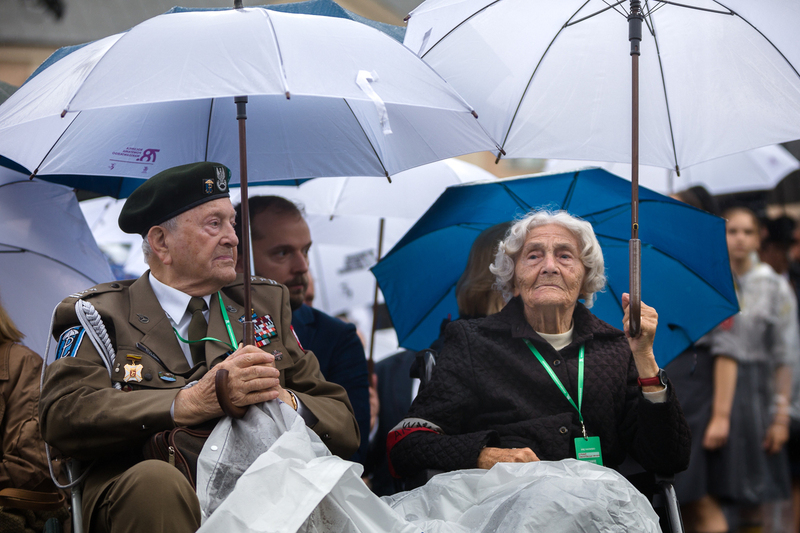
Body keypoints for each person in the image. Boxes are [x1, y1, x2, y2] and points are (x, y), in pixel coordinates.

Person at [39, 163, 359, 533]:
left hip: (260, 486)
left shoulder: (261, 303)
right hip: (143, 488)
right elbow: (62, 415)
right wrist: (185, 402)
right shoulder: (100, 314)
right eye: (214, 224)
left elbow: (343, 424)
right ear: (161, 242)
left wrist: (283, 401)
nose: (233, 239)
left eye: (232, 223)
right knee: (157, 484)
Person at [388, 209, 691, 478]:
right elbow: (405, 444)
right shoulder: (472, 341)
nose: (549, 266)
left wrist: (644, 357)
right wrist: (484, 455)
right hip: (504, 510)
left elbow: (668, 459)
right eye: (533, 256)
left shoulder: (616, 348)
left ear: (585, 279)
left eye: (564, 255)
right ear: (513, 280)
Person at [365, 222, 510, 495]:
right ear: (496, 275)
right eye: (532, 258)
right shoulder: (457, 346)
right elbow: (408, 448)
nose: (545, 271)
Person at [234, 196, 370, 464]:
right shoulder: (208, 322)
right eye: (282, 253)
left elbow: (355, 443)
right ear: (240, 258)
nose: (302, 267)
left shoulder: (337, 337)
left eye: (305, 250)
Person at [708, 207, 799, 533]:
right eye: (733, 232)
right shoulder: (713, 281)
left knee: (753, 490)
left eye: (747, 232)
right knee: (714, 489)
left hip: (759, 394)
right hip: (715, 390)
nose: (740, 239)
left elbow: (785, 355)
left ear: (759, 235)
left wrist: (781, 417)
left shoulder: (774, 286)